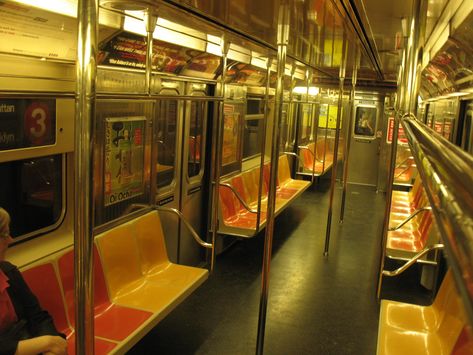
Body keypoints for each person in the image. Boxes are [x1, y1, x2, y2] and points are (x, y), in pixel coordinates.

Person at [0, 208, 67, 355]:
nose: (10, 240)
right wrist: (44, 343)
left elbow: (38, 317)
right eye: (5, 234)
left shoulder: (8, 272)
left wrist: (50, 344)